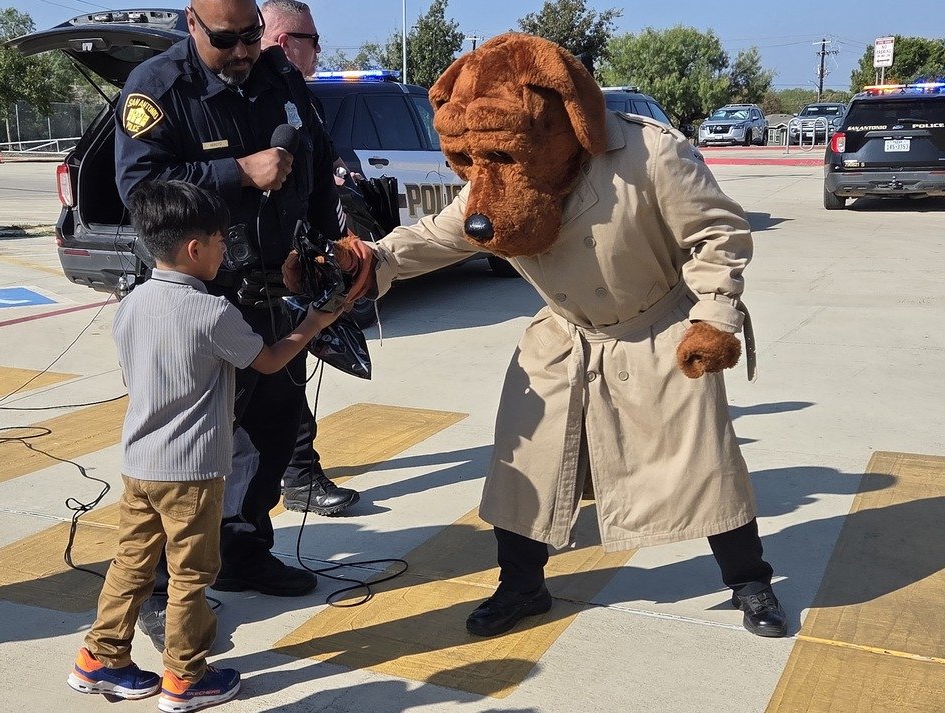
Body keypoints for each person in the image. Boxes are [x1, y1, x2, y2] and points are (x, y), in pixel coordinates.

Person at [294, 34, 787, 640]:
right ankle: (521, 587)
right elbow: (442, 233)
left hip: (657, 332)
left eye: (501, 155)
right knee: (524, 469)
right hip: (564, 335)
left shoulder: (651, 154)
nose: (487, 175)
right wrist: (368, 259)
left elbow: (717, 234)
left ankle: (749, 580)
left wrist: (714, 315)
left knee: (705, 467)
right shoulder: (493, 173)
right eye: (476, 159)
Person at [114, 0, 356, 650]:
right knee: (186, 450)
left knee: (275, 427)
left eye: (253, 35)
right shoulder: (158, 90)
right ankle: (161, 589)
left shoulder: (280, 80)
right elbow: (138, 190)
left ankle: (244, 546)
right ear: (193, 26)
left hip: (272, 292)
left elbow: (319, 161)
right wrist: (236, 173)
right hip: (195, 303)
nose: (244, 50)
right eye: (229, 40)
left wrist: (330, 239)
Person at [67, 180, 343, 713]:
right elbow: (266, 360)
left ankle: (100, 658)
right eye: (220, 240)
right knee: (191, 576)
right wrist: (313, 323)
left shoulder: (132, 302)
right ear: (195, 249)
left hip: (139, 462)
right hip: (190, 473)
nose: (226, 249)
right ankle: (186, 677)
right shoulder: (211, 312)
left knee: (132, 564)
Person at [259, 0, 361, 517]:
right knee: (264, 384)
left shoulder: (297, 93)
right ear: (284, 41)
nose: (318, 49)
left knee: (287, 375)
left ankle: (296, 476)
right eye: (312, 39)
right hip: (237, 270)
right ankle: (294, 476)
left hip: (290, 264)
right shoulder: (247, 94)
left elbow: (319, 170)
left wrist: (328, 247)